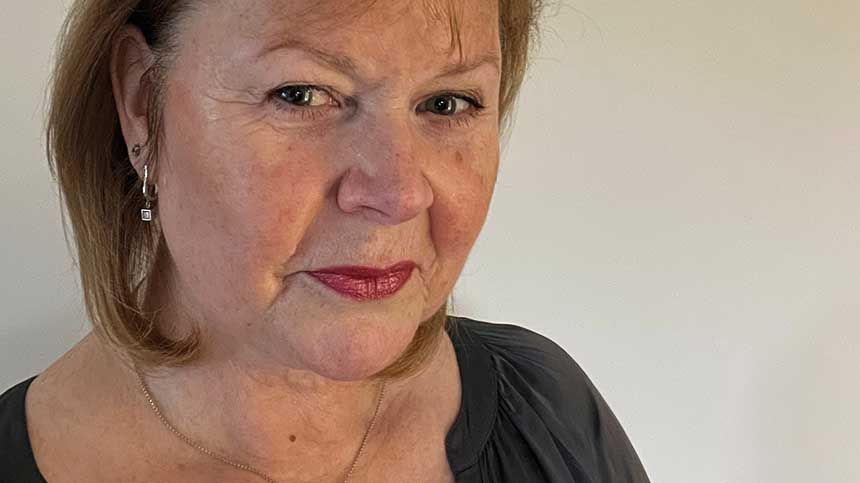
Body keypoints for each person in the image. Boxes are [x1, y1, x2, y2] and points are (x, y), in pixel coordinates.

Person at [0, 0, 651, 481]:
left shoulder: (549, 413)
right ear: (142, 104)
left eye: (448, 103)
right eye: (302, 94)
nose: (398, 193)